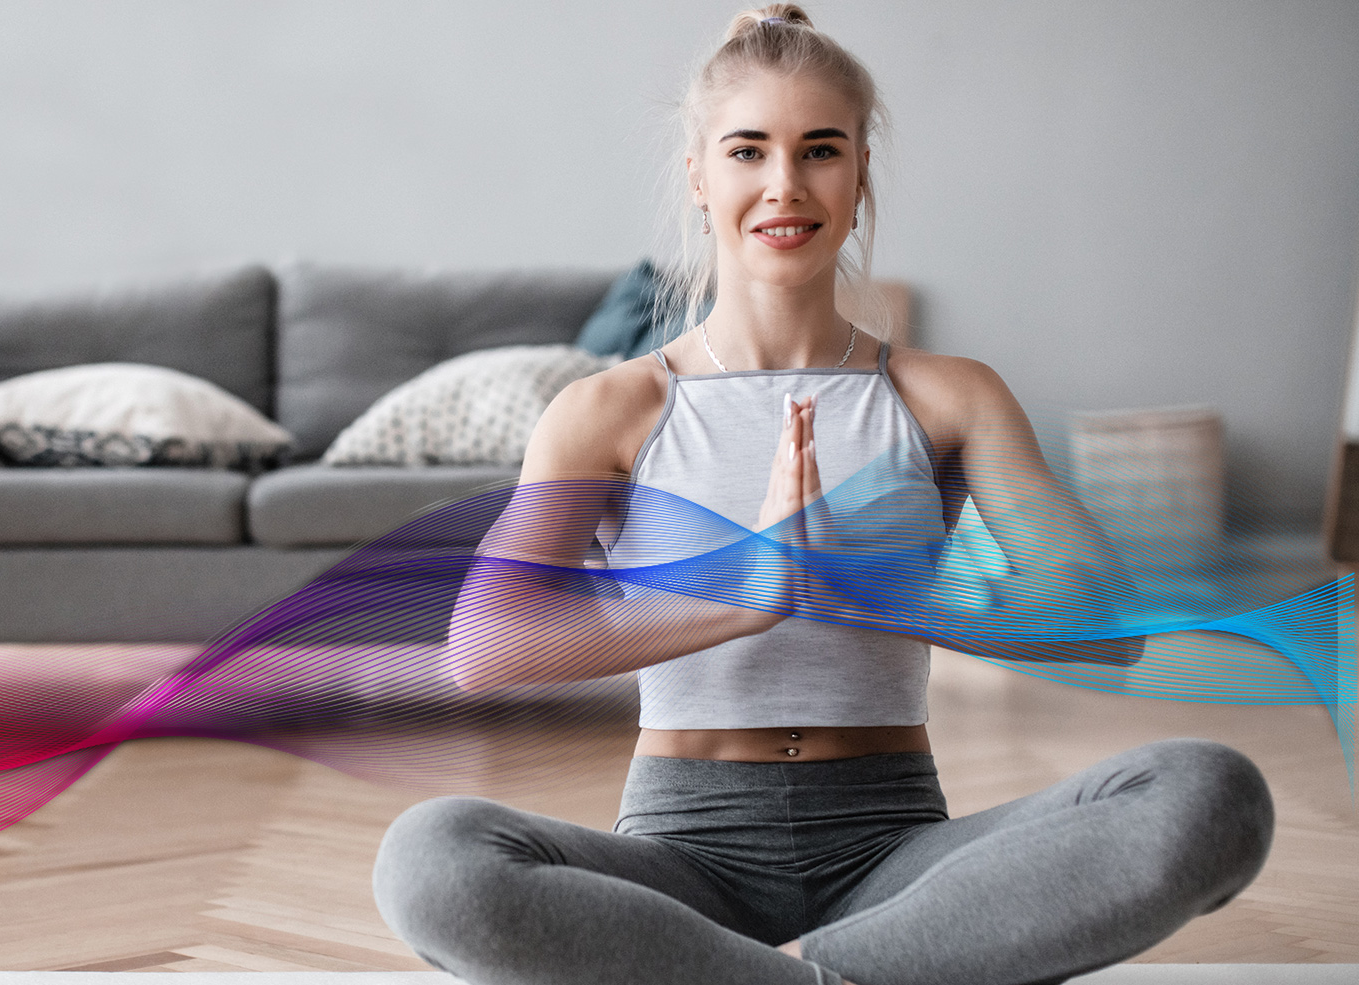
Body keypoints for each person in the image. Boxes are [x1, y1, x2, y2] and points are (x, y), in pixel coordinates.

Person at [369, 7, 1275, 985]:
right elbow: (486, 646)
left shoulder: (947, 395)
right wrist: (745, 591)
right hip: (682, 856)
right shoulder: (611, 410)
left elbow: (1107, 625)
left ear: (860, 175)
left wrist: (872, 592)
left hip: (897, 858)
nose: (784, 186)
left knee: (1206, 792)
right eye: (749, 150)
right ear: (699, 173)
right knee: (434, 859)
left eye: (821, 150)